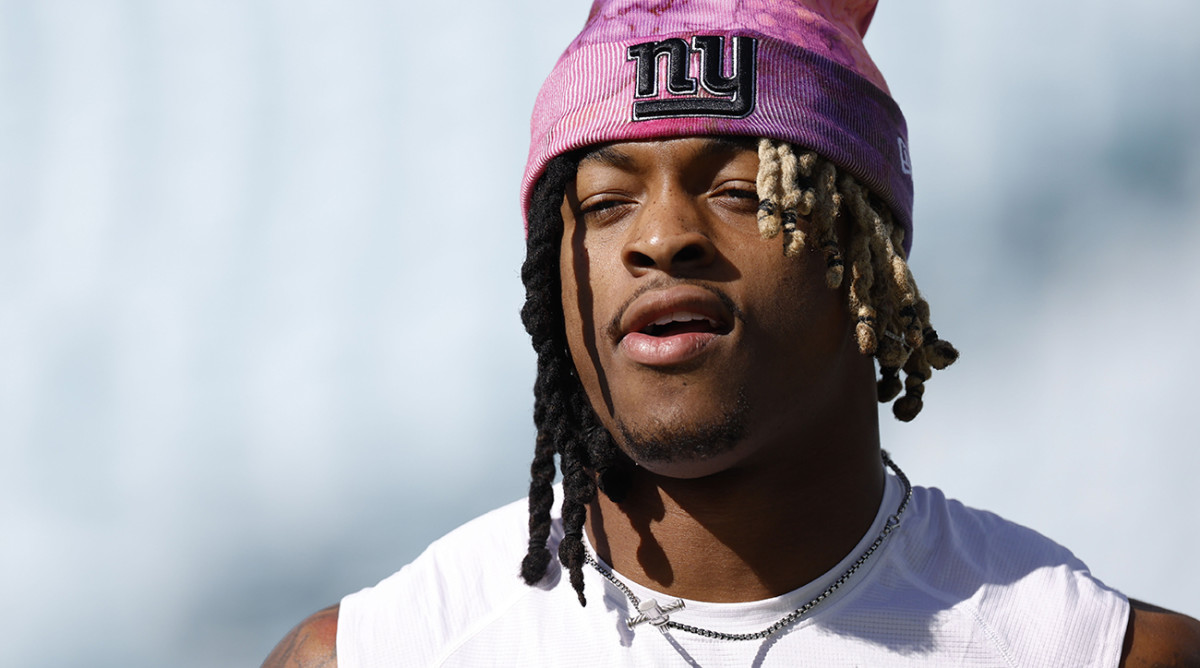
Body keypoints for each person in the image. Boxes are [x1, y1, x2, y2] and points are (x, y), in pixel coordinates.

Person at [264, 1, 1200, 665]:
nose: (661, 237)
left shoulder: (1090, 650)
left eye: (742, 191)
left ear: (866, 259)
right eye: (603, 203)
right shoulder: (385, 653)